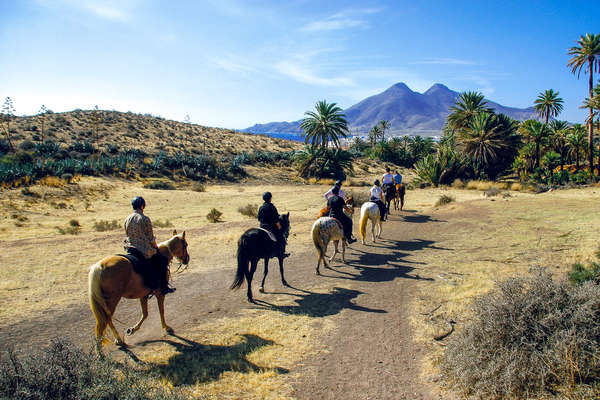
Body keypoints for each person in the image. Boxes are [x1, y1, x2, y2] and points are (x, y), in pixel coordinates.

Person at [123, 196, 175, 295]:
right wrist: (155, 247)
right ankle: (163, 287)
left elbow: (127, 234)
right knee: (162, 261)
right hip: (143, 250)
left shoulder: (127, 219)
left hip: (130, 249)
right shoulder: (144, 218)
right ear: (142, 206)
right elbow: (151, 238)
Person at [257, 192, 290, 258]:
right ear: (270, 198)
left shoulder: (261, 208)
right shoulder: (272, 207)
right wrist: (279, 227)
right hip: (270, 227)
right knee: (281, 237)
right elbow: (276, 219)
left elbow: (259, 218)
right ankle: (282, 252)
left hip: (262, 227)